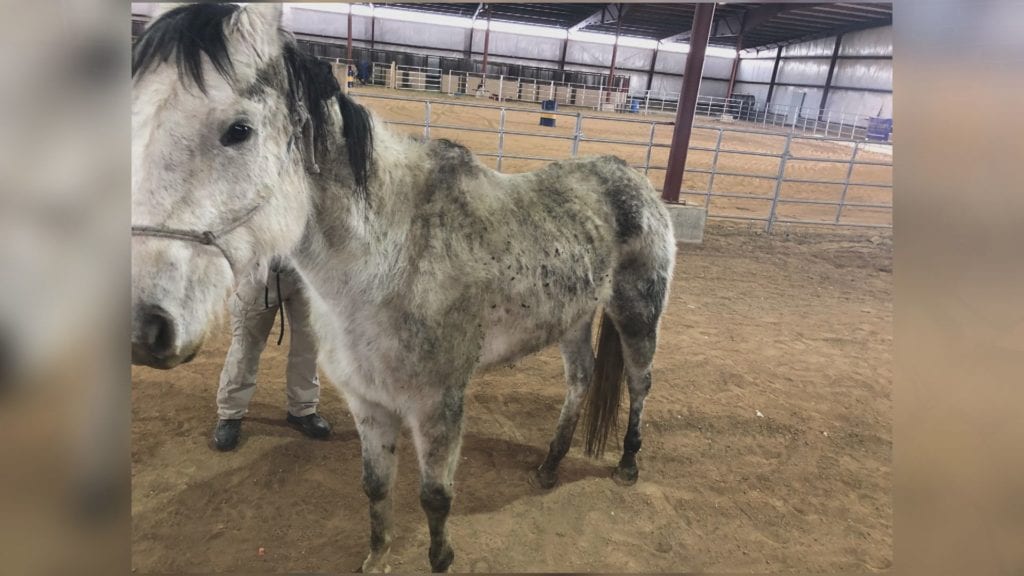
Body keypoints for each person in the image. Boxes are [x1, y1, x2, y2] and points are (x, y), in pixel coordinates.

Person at [213, 257, 331, 451]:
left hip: (309, 275)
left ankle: (303, 409)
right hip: (261, 274)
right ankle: (230, 414)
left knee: (307, 348)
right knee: (244, 348)